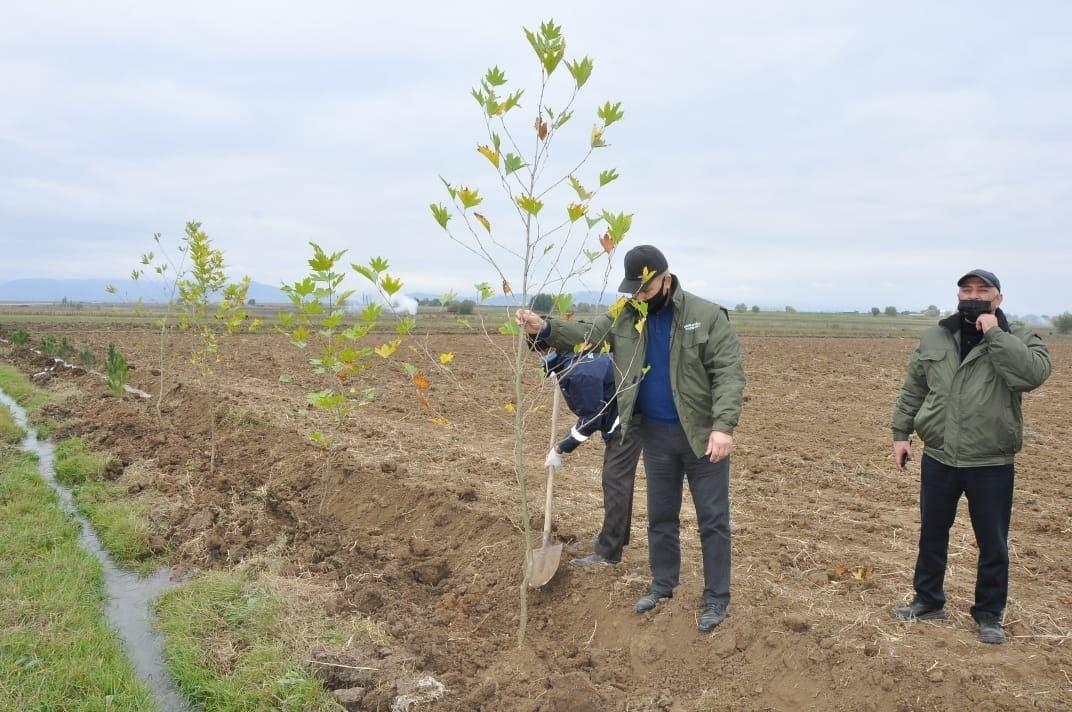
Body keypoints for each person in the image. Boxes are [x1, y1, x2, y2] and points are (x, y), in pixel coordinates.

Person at [517, 245, 746, 633]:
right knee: (660, 517)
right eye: (633, 291)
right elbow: (588, 334)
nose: (638, 297)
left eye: (645, 289)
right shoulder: (627, 315)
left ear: (666, 281)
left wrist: (723, 426)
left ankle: (716, 599)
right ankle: (663, 585)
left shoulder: (705, 317)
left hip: (701, 438)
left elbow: (728, 372)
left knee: (713, 520)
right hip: (655, 434)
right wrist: (546, 328)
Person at [890, 269, 1051, 645]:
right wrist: (901, 433)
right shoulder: (937, 336)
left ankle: (989, 614)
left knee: (992, 543)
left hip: (991, 461)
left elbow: (1032, 375)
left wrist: (994, 333)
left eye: (983, 289)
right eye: (967, 289)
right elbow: (914, 386)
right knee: (932, 534)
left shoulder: (1019, 337)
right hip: (940, 456)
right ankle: (928, 601)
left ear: (999, 298)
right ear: (958, 295)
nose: (973, 295)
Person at [528, 334, 644, 567]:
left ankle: (607, 554)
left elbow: (593, 416)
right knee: (617, 481)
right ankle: (614, 538)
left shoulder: (580, 372)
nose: (540, 359)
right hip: (624, 412)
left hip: (629, 418)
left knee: (615, 481)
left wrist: (561, 447)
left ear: (550, 348)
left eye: (540, 353)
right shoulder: (572, 363)